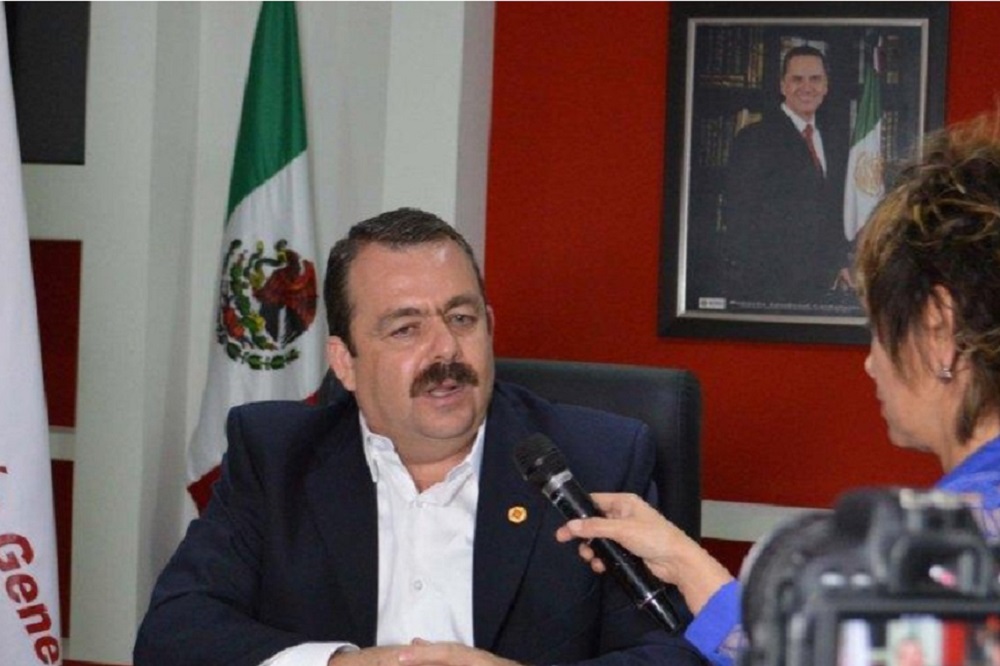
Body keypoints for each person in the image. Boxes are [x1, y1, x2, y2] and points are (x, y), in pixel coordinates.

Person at [133, 208, 704, 666]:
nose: (446, 350)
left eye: (461, 319)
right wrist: (338, 664)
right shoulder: (276, 455)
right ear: (345, 362)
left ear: (489, 327)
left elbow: (678, 651)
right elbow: (174, 633)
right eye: (406, 329)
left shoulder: (594, 460)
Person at [557, 111, 1000, 666]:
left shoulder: (927, 556)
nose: (870, 364)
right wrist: (684, 561)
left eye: (878, 328)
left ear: (937, 329)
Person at [720, 44, 853, 310]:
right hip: (770, 287)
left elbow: (832, 209)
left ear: (826, 86)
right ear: (783, 86)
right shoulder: (754, 138)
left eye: (815, 79)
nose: (807, 87)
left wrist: (839, 262)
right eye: (797, 79)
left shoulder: (835, 141)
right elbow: (738, 217)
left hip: (824, 284)